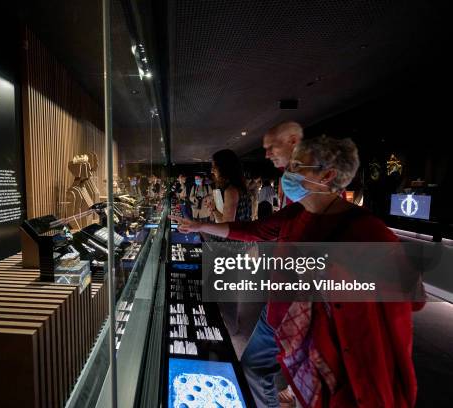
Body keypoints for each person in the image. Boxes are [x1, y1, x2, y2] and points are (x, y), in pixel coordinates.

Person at [172, 136, 423, 408]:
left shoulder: (368, 232)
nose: (288, 173)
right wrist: (199, 226)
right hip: (278, 314)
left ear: (327, 176)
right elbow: (251, 231)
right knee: (255, 369)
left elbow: (410, 294)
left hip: (325, 333)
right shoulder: (297, 214)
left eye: (298, 166)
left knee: (319, 392)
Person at [263, 121, 304, 207]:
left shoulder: (316, 174)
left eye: (271, 147)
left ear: (293, 141)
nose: (267, 155)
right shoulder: (288, 170)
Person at [207, 149, 252, 225]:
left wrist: (213, 209)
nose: (212, 170)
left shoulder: (231, 191)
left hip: (236, 235)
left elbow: (226, 225)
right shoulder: (240, 186)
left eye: (214, 166)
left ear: (224, 168)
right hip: (244, 233)